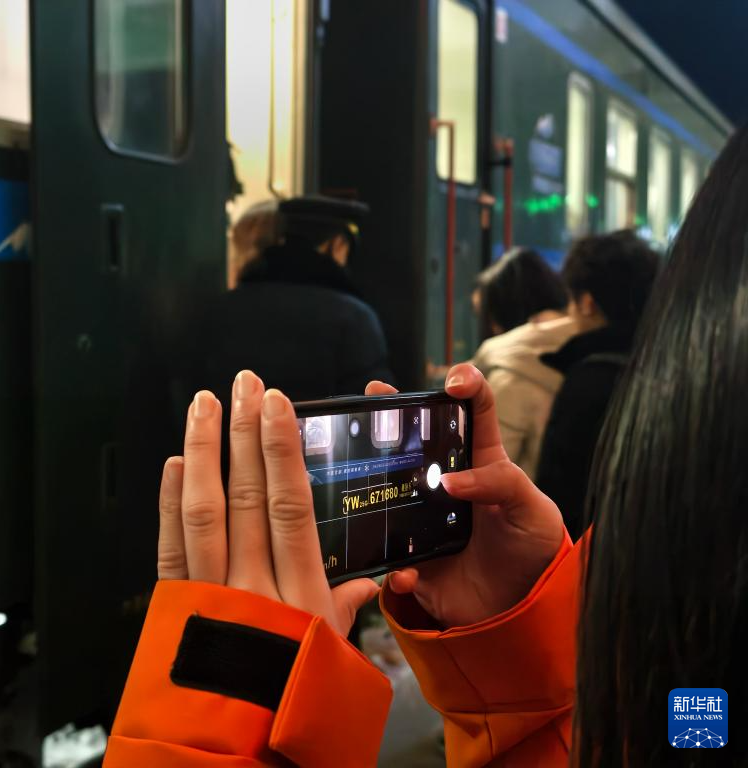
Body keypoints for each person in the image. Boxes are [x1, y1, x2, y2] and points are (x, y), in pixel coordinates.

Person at [101, 123, 748, 766]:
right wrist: (520, 642)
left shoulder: (212, 310)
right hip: (326, 547)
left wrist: (225, 712)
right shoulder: (353, 318)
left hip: (216, 551)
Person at [190, 195, 395, 407]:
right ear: (337, 245)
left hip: (230, 428)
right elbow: (373, 407)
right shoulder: (354, 318)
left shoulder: (217, 311)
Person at [535, 230, 660, 540]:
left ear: (587, 303)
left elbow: (559, 496)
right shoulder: (668, 365)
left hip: (595, 558)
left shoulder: (587, 382)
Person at [469, 248, 578, 478]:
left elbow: (490, 476)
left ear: (503, 315)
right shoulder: (587, 346)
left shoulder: (509, 376)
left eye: (487, 317)